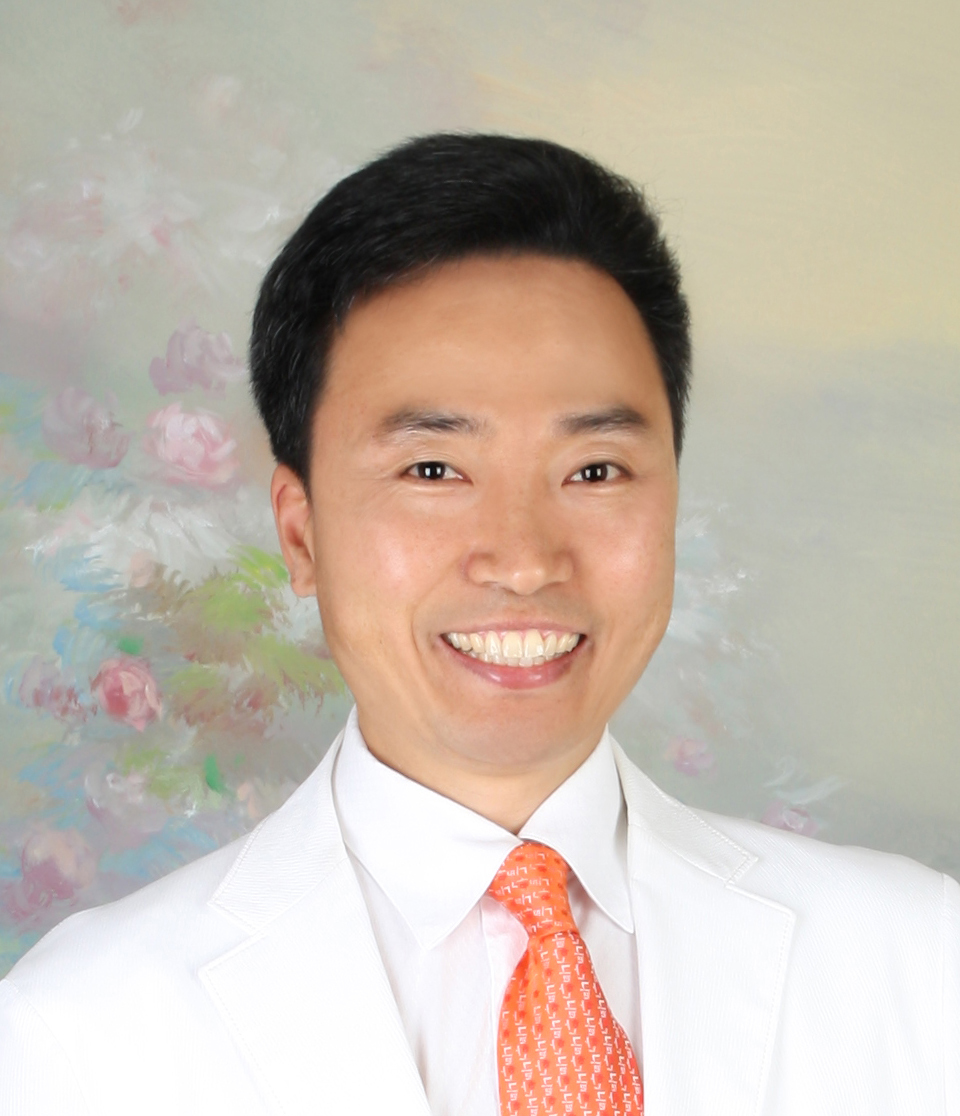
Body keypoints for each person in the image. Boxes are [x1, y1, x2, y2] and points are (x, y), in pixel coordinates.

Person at [0, 133, 956, 1116]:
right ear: (301, 531)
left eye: (595, 470)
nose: (524, 559)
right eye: (433, 470)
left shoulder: (921, 968)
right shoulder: (77, 1037)